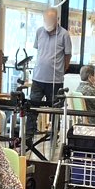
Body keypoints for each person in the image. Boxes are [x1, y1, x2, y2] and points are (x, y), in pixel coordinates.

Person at [26, 8, 72, 143]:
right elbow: (39, 51)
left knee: (55, 109)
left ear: (57, 20)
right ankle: (29, 135)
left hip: (55, 80)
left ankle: (54, 135)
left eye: (51, 20)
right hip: (38, 78)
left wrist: (62, 70)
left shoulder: (64, 34)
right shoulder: (39, 31)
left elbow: (68, 55)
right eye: (46, 20)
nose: (48, 23)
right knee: (32, 107)